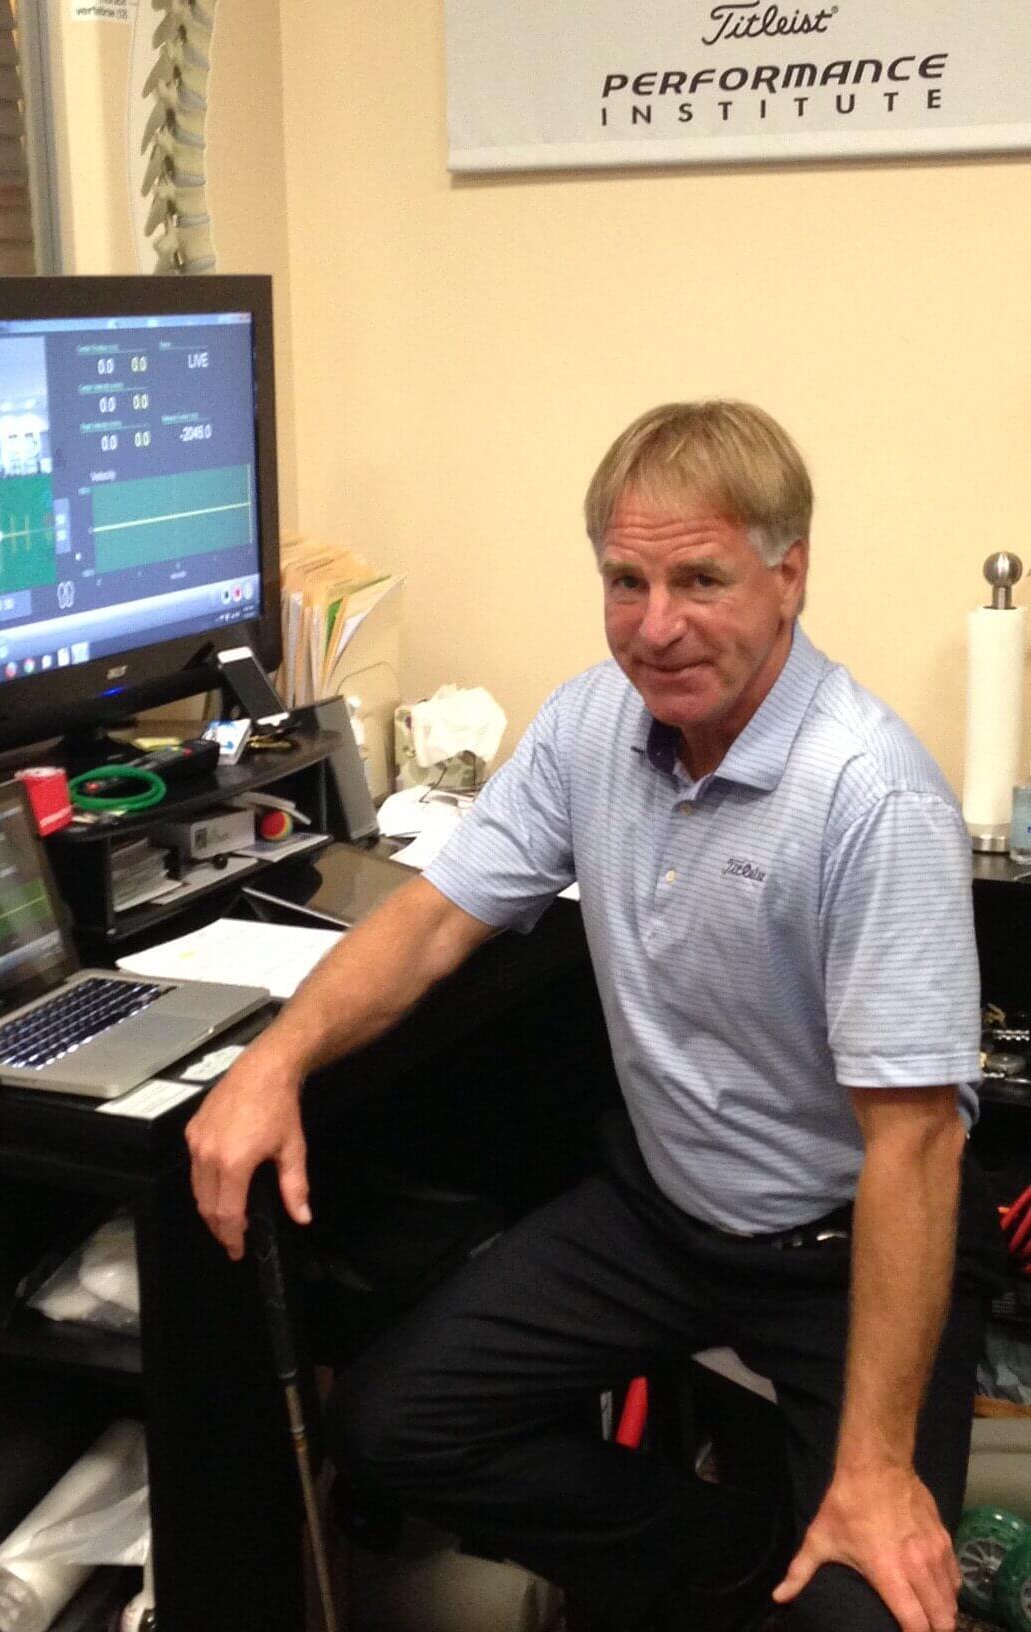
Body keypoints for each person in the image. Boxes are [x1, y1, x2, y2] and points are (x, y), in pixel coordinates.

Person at [185, 401, 1000, 1632]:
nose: (656, 626)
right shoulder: (589, 726)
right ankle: (724, 1553)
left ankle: (806, 1545)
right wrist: (271, 1063)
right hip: (662, 1214)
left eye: (700, 578)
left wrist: (875, 1473)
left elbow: (916, 1144)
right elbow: (436, 915)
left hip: (843, 1249)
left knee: (866, 1614)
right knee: (393, 1425)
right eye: (627, 580)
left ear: (790, 576)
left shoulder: (870, 797)